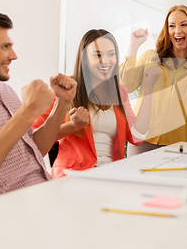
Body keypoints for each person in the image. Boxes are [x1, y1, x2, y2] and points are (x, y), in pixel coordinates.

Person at [0, 6, 76, 205]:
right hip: (6, 220)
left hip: (44, 200)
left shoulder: (5, 90)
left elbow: (32, 149)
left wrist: (63, 102)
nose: (13, 55)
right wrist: (28, 112)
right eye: (4, 47)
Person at [33, 30, 161, 178]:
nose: (105, 60)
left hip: (112, 174)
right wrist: (71, 127)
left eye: (111, 54)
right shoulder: (64, 89)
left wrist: (149, 87)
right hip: (74, 176)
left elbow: (136, 138)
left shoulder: (120, 92)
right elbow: (34, 140)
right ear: (85, 58)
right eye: (98, 55)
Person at [120, 5, 187, 155]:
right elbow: (126, 85)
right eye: (172, 26)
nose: (177, 30)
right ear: (167, 30)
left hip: (182, 144)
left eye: (183, 25)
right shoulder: (150, 57)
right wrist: (133, 46)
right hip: (143, 140)